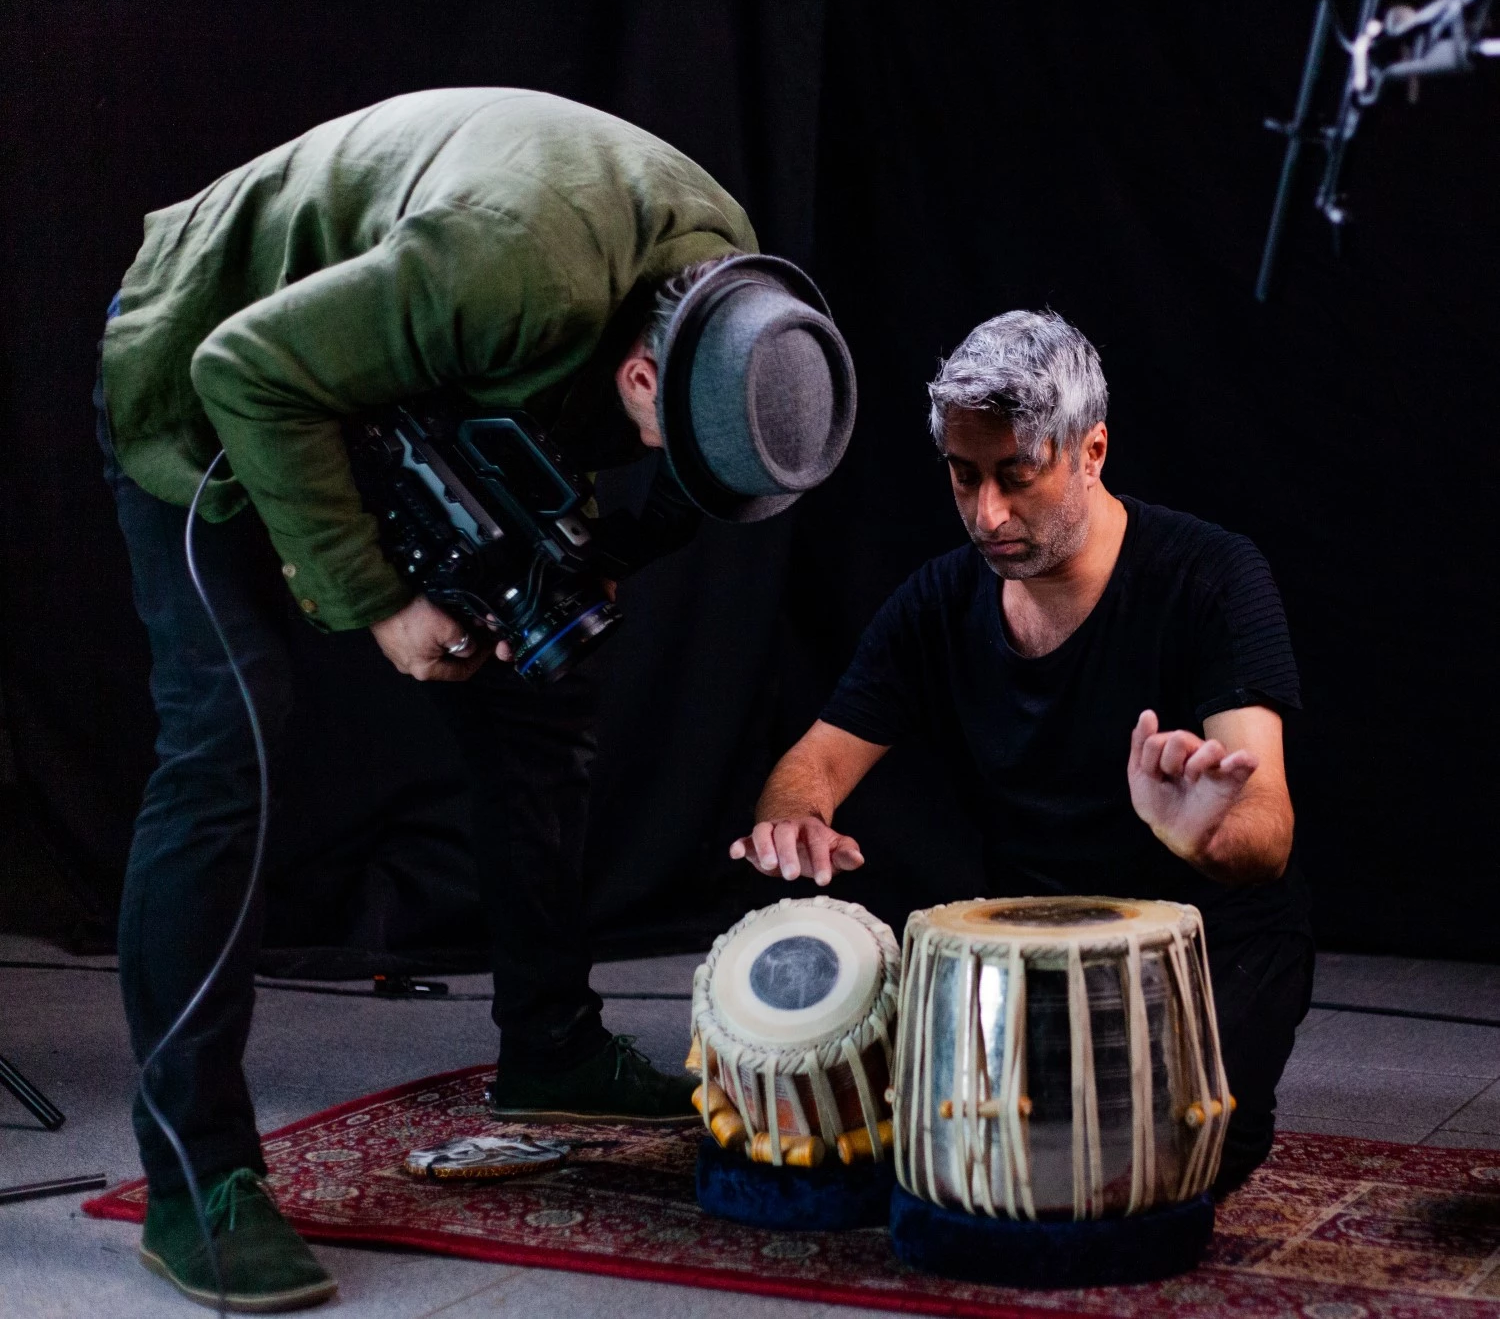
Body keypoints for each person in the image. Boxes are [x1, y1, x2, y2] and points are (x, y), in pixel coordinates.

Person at [100, 87, 854, 1311]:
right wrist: (381, 601)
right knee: (227, 731)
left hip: (386, 382)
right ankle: (198, 1175)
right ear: (642, 370)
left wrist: (563, 575)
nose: (663, 468)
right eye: (666, 441)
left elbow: (608, 470)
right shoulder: (513, 275)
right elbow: (248, 370)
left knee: (540, 694)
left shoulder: (729, 286)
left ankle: (550, 1047)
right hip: (218, 358)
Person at [730, 309, 1311, 1199]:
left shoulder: (1214, 577)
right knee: (903, 1159)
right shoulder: (941, 598)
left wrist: (1198, 835)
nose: (986, 513)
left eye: (1016, 476)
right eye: (963, 478)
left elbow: (1266, 830)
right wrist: (792, 823)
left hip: (1204, 950)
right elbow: (811, 764)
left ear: (1091, 452)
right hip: (1023, 958)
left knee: (1135, 1179)